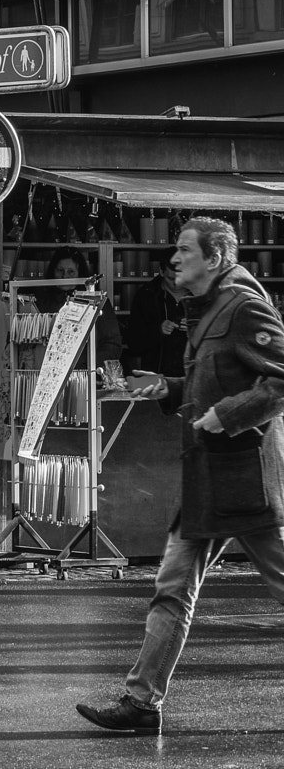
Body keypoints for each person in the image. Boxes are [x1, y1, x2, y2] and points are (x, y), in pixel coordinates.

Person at [78, 217, 284, 734]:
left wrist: (228, 415)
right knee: (171, 586)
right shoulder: (212, 307)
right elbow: (217, 377)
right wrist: (170, 388)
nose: (174, 260)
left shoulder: (243, 306)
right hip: (206, 483)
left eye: (185, 251)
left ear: (215, 258)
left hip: (245, 483)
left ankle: (142, 702)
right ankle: (142, 704)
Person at [123, 252, 186, 379]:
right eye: (171, 278)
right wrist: (158, 331)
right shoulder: (146, 296)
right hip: (155, 377)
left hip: (192, 377)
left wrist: (197, 328)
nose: (176, 283)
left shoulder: (199, 295)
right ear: (162, 272)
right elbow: (133, 343)